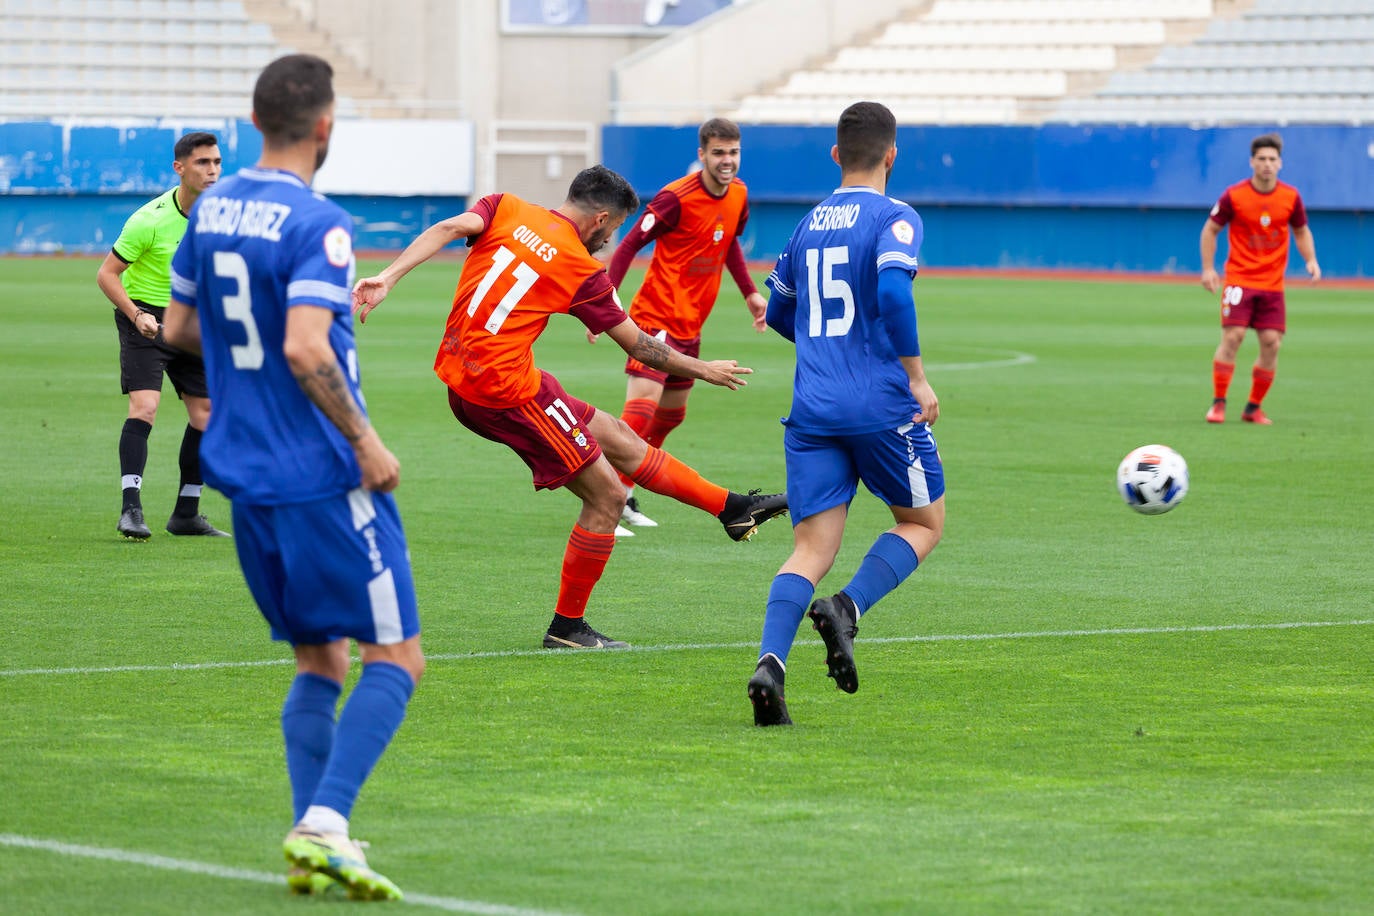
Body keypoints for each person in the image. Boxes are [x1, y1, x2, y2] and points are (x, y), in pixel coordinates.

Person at [163, 54, 422, 901]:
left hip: (244, 472)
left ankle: (317, 832)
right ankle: (326, 821)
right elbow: (308, 346)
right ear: (325, 126)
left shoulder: (213, 206)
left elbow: (180, 327)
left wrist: (256, 366)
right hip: (322, 471)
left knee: (320, 660)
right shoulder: (321, 222)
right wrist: (367, 440)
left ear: (252, 121)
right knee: (397, 655)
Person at [352, 164, 788, 650]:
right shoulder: (581, 270)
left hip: (477, 376)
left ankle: (731, 508)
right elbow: (641, 348)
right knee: (607, 497)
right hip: (504, 393)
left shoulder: (505, 207)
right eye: (615, 228)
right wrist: (704, 369)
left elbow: (450, 227)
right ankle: (568, 628)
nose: (609, 238)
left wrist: (388, 277)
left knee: (620, 438)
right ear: (601, 219)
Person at [747, 101, 944, 727]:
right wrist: (915, 375)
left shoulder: (807, 225)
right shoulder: (897, 216)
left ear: (836, 155)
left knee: (810, 547)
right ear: (892, 155)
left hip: (813, 407)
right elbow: (892, 290)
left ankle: (770, 666)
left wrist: (822, 346)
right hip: (880, 406)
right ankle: (849, 609)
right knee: (923, 522)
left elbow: (778, 313)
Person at [596, 117, 768, 535]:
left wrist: (750, 294)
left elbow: (727, 246)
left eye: (733, 152)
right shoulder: (676, 198)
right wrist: (606, 300)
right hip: (656, 317)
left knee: (670, 418)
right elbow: (631, 242)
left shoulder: (739, 196)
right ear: (702, 155)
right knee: (638, 414)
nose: (727, 160)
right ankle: (605, 496)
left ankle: (623, 490)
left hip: (691, 324)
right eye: (718, 153)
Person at [96, 130, 229, 539]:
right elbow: (107, 275)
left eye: (217, 162)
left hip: (191, 319)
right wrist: (137, 316)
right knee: (146, 407)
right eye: (203, 163)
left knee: (205, 416)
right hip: (144, 317)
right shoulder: (148, 219)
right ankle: (130, 510)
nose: (212, 171)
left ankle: (186, 513)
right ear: (180, 168)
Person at [1200, 132, 1320, 425]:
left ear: (1280, 163)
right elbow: (1210, 230)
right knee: (1233, 336)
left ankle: (1253, 407)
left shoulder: (1290, 197)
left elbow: (1301, 231)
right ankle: (1218, 403)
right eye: (1262, 159)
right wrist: (1208, 268)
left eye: (1272, 159)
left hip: (1272, 284)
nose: (1267, 164)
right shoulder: (1234, 195)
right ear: (1252, 162)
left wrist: (1311, 260)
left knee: (1271, 343)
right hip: (1240, 278)